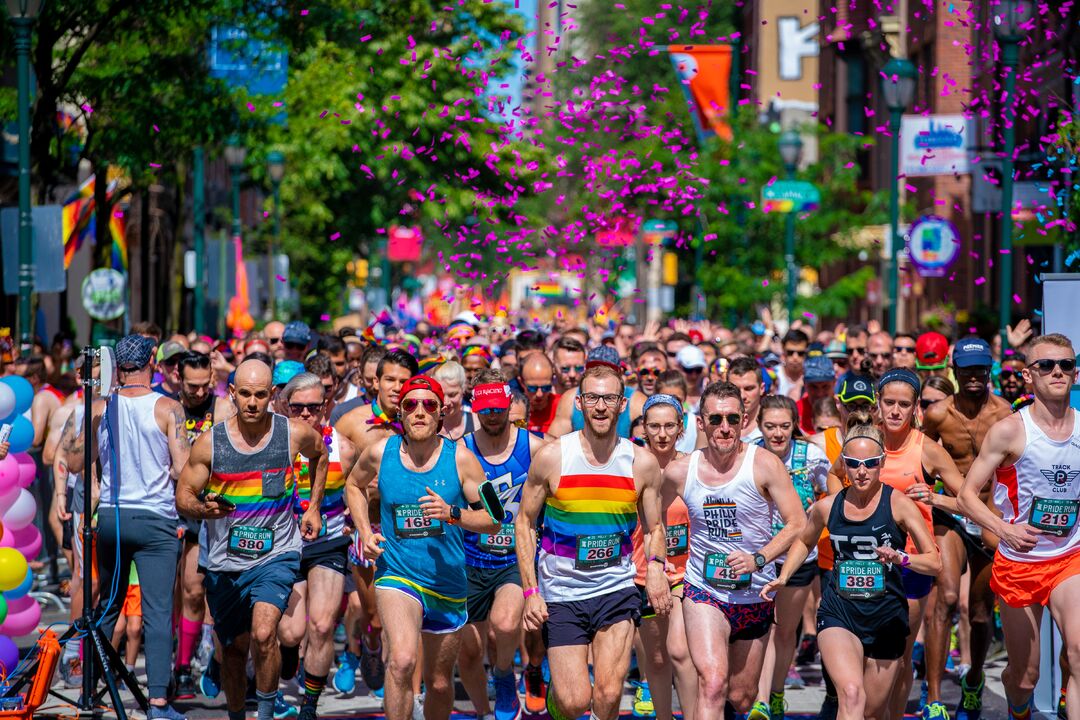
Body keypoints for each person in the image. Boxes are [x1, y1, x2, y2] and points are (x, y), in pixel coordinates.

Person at [516, 363, 671, 720]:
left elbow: (654, 528)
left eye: (609, 398)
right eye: (592, 398)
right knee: (573, 701)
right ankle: (558, 700)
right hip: (562, 593)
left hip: (616, 589)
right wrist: (530, 592)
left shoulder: (642, 463)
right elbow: (523, 523)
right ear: (580, 404)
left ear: (621, 404)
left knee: (609, 692)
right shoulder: (553, 457)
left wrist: (657, 568)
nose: (600, 406)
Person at [176, 359, 328, 720]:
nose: (252, 402)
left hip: (276, 553)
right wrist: (203, 509)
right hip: (224, 560)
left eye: (260, 395)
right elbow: (183, 494)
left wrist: (313, 508)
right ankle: (236, 715)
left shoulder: (292, 433)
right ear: (232, 393)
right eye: (245, 393)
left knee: (263, 634)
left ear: (272, 395)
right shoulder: (210, 443)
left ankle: (264, 712)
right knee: (233, 649)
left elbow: (320, 454)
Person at [763, 423, 941, 720]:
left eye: (870, 464)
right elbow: (804, 541)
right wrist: (784, 576)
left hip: (886, 615)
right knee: (851, 694)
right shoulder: (827, 507)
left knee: (871, 712)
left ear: (882, 463)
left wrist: (901, 559)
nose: (862, 471)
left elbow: (934, 562)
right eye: (854, 464)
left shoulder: (899, 505)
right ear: (843, 464)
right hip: (839, 611)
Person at [344, 375, 495, 720]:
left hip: (447, 582)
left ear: (442, 413)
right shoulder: (381, 453)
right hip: (397, 573)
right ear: (400, 412)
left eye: (429, 405)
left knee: (439, 683)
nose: (420, 411)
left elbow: (494, 518)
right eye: (411, 404)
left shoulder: (462, 460)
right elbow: (354, 485)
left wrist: (453, 514)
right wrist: (365, 531)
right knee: (401, 661)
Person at [659, 381, 807, 719]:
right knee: (712, 683)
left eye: (732, 419)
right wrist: (658, 562)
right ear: (701, 423)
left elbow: (797, 522)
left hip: (755, 595)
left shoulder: (765, 464)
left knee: (742, 696)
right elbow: (655, 518)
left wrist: (759, 559)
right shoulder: (681, 472)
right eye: (715, 420)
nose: (724, 428)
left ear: (744, 420)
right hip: (704, 590)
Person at [64, 334, 191, 720]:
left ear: (116, 364)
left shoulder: (102, 407)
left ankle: (91, 682)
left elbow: (73, 462)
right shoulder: (169, 407)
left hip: (114, 518)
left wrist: (93, 410)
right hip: (156, 519)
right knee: (156, 610)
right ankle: (157, 703)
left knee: (109, 605)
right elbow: (184, 470)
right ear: (152, 359)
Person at [827, 368, 965, 720]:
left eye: (904, 404)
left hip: (909, 564)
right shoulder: (863, 442)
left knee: (899, 658)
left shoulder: (927, 450)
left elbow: (967, 498)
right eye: (889, 402)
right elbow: (833, 473)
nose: (895, 411)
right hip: (860, 564)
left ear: (916, 407)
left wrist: (936, 499)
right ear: (878, 403)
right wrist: (838, 511)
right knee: (853, 656)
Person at [958, 333, 1080, 720]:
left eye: (1065, 365)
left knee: (1078, 652)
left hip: (1069, 557)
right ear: (1029, 376)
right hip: (1019, 561)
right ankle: (1019, 711)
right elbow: (966, 496)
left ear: (1075, 374)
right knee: (1025, 676)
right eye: (1046, 365)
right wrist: (1004, 529)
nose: (1057, 371)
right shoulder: (1009, 431)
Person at [920, 337, 1013, 720]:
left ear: (988, 371)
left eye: (979, 369)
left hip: (990, 517)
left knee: (978, 612)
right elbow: (922, 462)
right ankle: (936, 698)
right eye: (966, 370)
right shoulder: (938, 414)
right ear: (954, 372)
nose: (973, 376)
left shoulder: (1006, 414)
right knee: (944, 599)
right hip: (951, 514)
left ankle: (973, 678)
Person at [458, 371, 546, 720]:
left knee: (507, 624)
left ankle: (504, 673)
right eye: (485, 409)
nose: (492, 415)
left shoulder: (535, 447)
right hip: (468, 556)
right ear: (474, 407)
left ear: (509, 405)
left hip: (514, 556)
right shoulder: (460, 448)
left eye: (498, 408)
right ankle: (483, 712)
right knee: (468, 652)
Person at [276, 373, 356, 720]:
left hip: (329, 541)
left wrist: (358, 518)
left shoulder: (345, 446)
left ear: (326, 406)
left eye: (314, 407)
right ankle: (288, 649)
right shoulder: (273, 442)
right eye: (298, 408)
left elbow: (360, 489)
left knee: (322, 626)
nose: (307, 414)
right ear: (284, 405)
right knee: (291, 632)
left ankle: (309, 704)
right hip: (284, 543)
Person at [751, 395, 830, 720]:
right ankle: (760, 701)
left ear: (794, 424)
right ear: (759, 425)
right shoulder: (749, 452)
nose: (778, 433)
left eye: (785, 426)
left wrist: (816, 509)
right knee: (760, 630)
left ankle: (777, 691)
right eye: (770, 426)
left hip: (800, 556)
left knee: (785, 631)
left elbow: (831, 491)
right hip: (759, 555)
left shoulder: (810, 455)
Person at [630, 394, 697, 720]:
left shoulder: (694, 465)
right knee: (656, 659)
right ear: (643, 427)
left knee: (681, 652)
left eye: (669, 425)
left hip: (686, 574)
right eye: (654, 426)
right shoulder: (630, 464)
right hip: (641, 574)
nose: (662, 433)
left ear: (680, 428)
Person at [174, 351, 236, 698]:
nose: (198, 392)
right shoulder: (170, 409)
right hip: (176, 509)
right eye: (191, 386)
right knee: (184, 591)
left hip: (213, 508)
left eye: (203, 385)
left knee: (202, 590)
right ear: (178, 379)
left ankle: (199, 660)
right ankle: (180, 664)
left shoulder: (223, 409)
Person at [519, 352, 559, 435]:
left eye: (546, 388)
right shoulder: (513, 410)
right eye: (532, 388)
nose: (539, 394)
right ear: (521, 382)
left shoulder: (563, 406)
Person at [727, 358, 766, 443]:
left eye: (749, 388)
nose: (742, 396)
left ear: (762, 388)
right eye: (735, 389)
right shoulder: (716, 424)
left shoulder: (773, 425)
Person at [433, 361, 474, 440]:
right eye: (441, 395)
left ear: (463, 390)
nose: (446, 402)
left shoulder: (477, 422)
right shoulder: (426, 425)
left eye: (452, 395)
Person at [798, 356, 838, 435]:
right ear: (804, 384)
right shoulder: (796, 411)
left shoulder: (844, 409)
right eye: (813, 387)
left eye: (825, 386)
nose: (820, 393)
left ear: (834, 382)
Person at [777, 330, 809, 400]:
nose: (795, 357)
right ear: (783, 351)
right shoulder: (774, 374)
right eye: (790, 352)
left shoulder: (811, 377)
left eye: (800, 353)